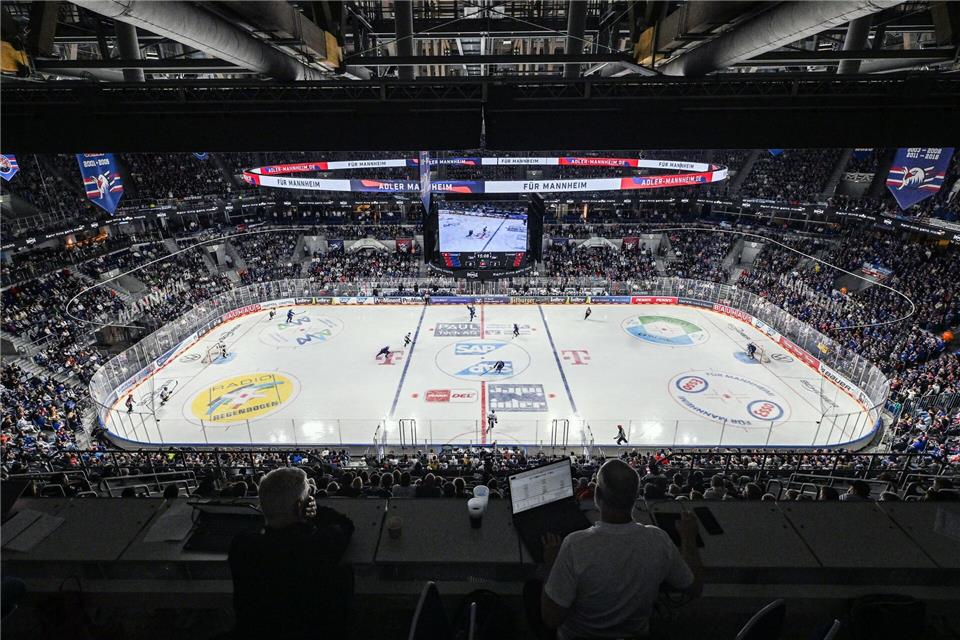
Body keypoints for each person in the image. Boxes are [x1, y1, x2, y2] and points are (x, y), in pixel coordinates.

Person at [533, 459, 703, 640]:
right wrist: (688, 538)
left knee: (532, 588)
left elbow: (551, 619)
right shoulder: (659, 540)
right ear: (635, 496)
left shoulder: (574, 545)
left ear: (597, 495)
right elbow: (694, 588)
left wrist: (551, 564)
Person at [228, 467, 355, 640]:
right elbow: (345, 525)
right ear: (299, 506)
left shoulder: (241, 546)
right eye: (308, 495)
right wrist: (315, 511)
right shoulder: (318, 545)